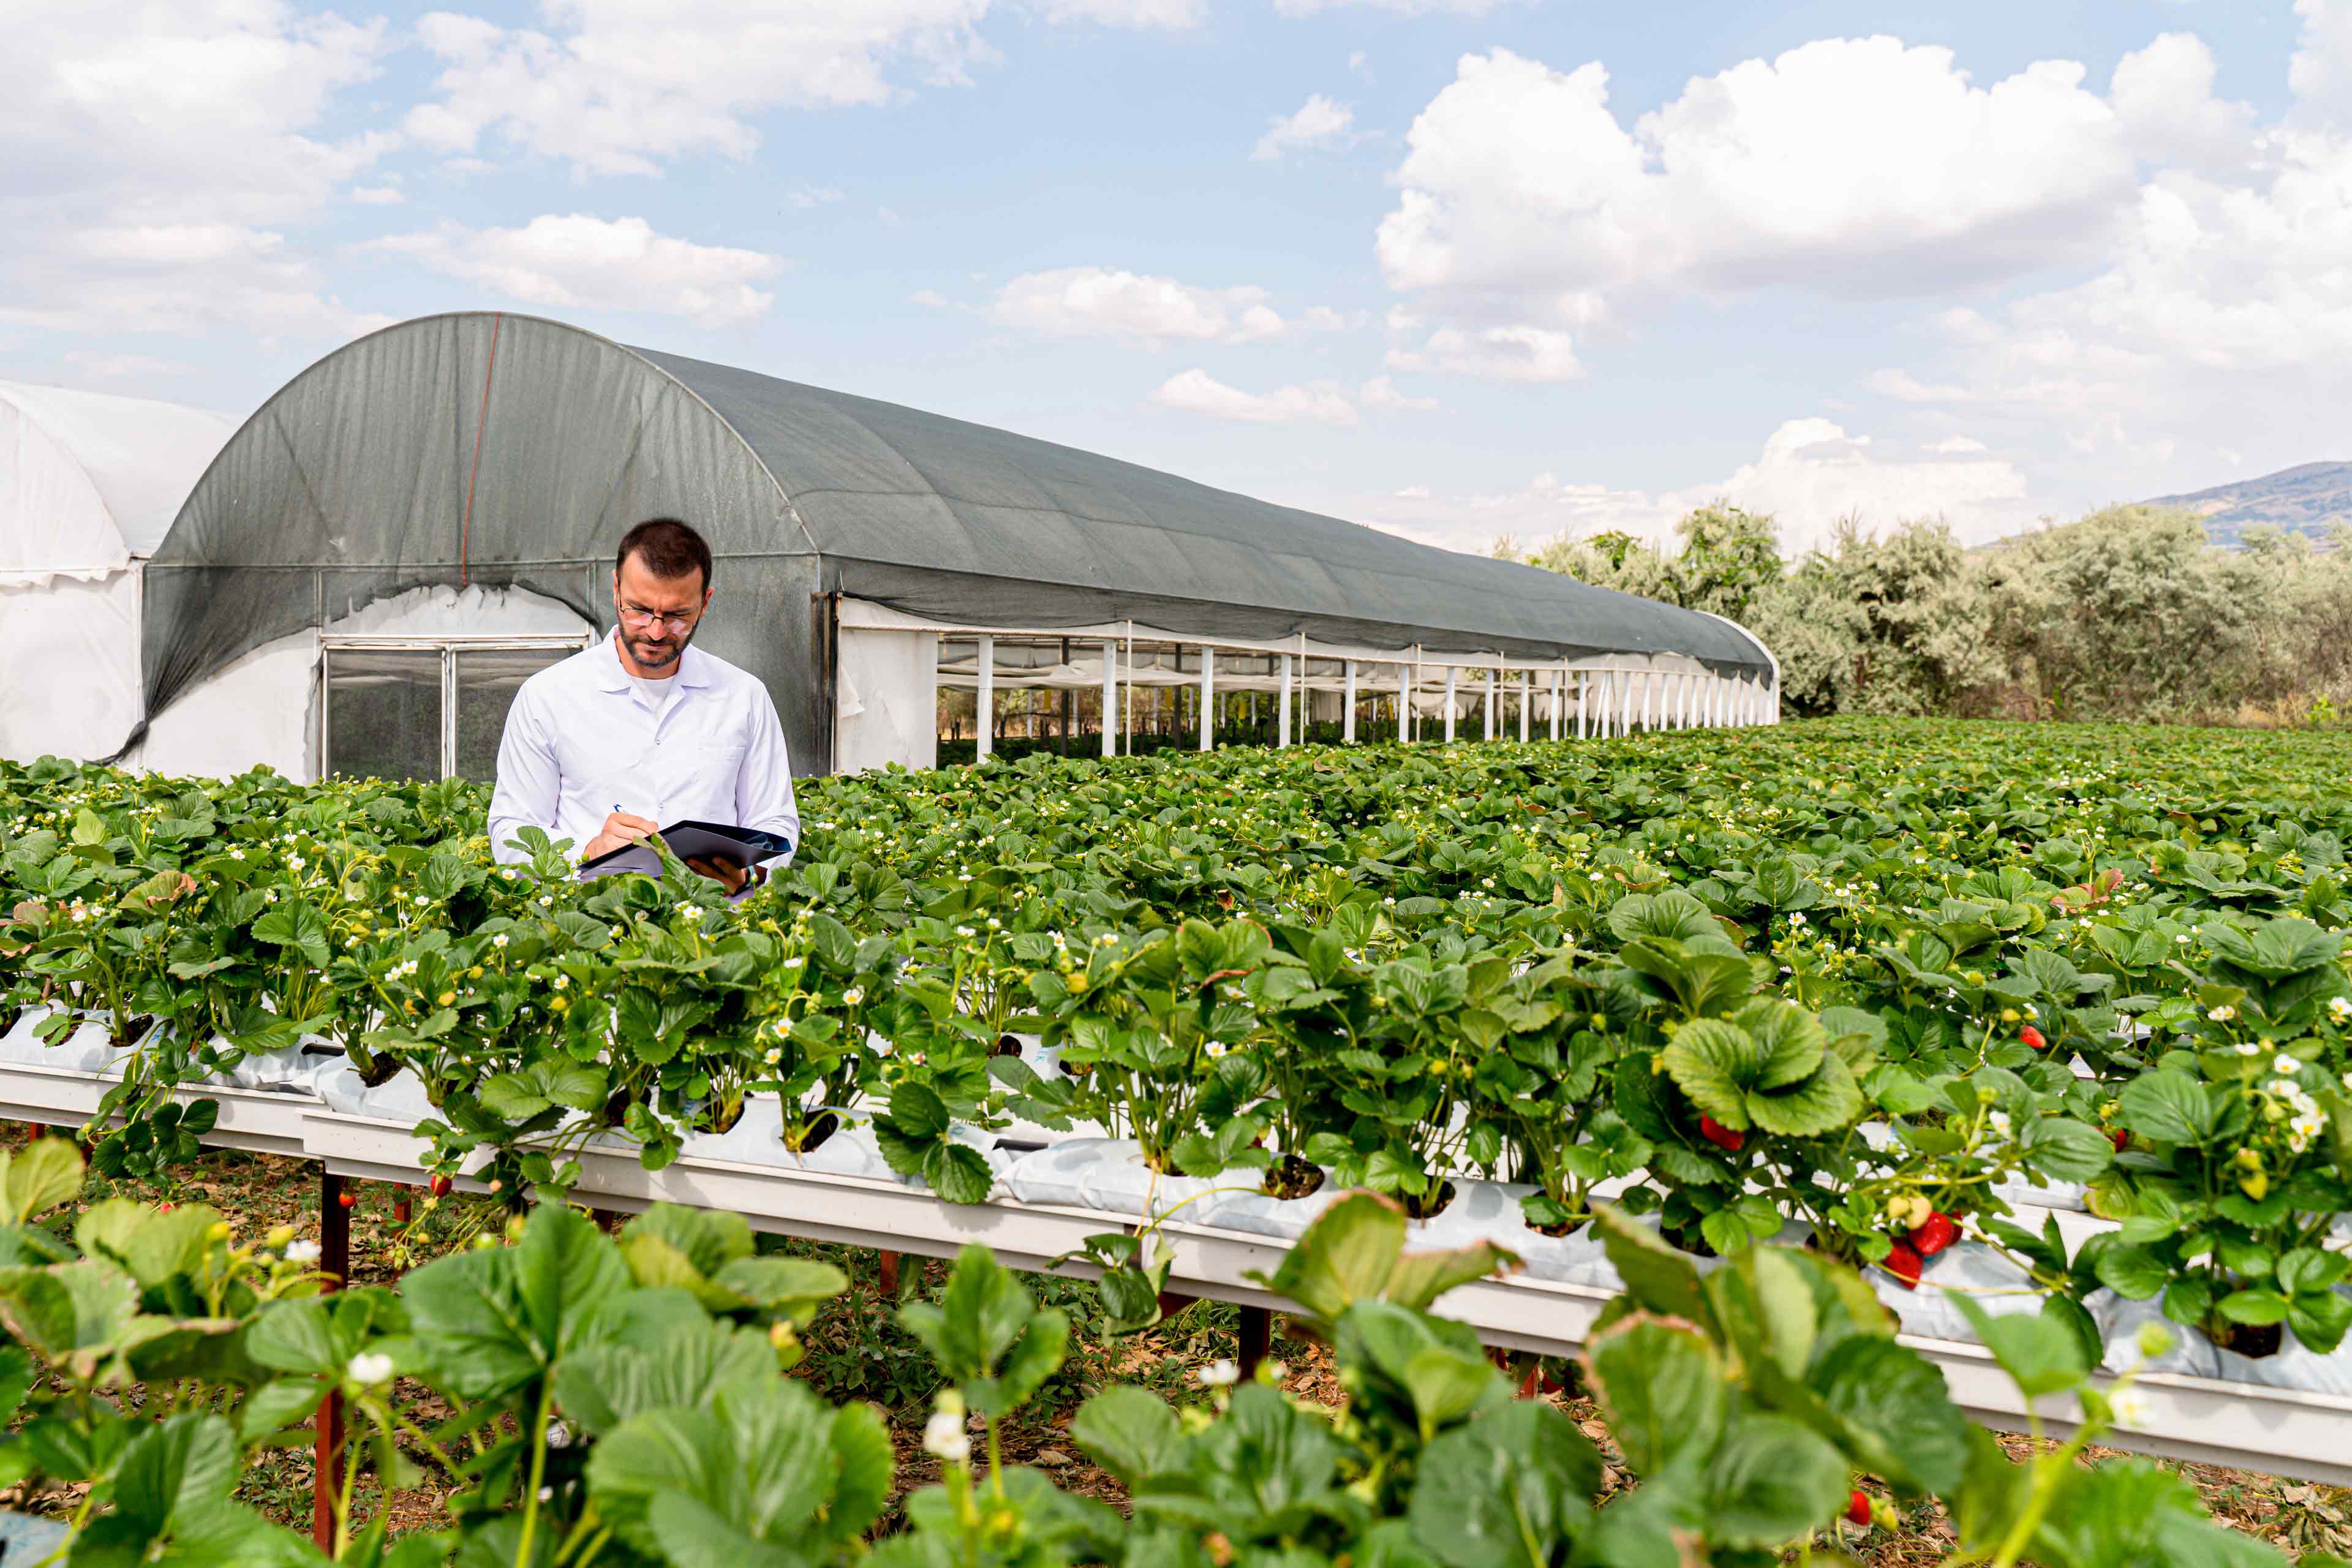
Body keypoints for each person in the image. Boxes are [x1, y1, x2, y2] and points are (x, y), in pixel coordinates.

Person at [487, 517, 797, 893]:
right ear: (616, 588)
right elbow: (511, 829)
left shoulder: (744, 697)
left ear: (705, 603)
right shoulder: (547, 697)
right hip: (594, 925)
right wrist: (586, 850)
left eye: (678, 616)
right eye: (640, 610)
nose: (655, 630)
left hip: (715, 927)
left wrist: (751, 874)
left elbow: (775, 823)